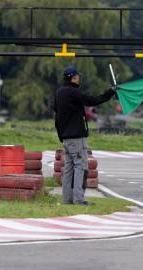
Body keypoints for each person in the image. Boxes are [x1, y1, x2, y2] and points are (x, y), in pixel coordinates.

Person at [54, 65, 116, 205]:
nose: (79, 78)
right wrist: (110, 93)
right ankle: (79, 199)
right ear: (73, 78)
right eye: (77, 76)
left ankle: (67, 199)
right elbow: (92, 100)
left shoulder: (59, 93)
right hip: (77, 137)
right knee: (80, 166)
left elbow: (56, 115)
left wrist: (61, 135)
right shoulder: (74, 93)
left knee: (69, 168)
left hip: (66, 138)